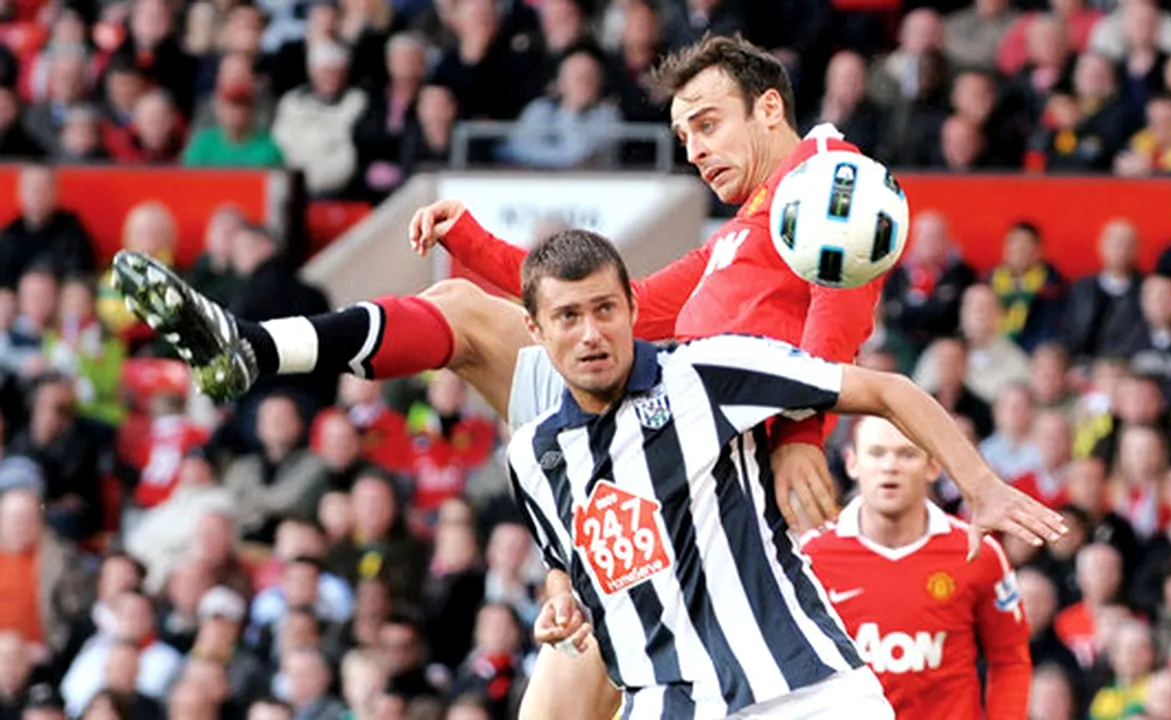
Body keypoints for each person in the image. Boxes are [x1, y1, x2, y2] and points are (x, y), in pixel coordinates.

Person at [109, 34, 1065, 720]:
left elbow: (841, 302)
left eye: (706, 124)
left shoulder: (824, 180)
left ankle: (255, 346)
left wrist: (805, 438)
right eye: (682, 134)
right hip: (639, 437)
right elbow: (628, 307)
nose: (694, 149)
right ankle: (251, 350)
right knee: (464, 312)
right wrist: (481, 243)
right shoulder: (741, 228)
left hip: (695, 438)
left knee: (461, 323)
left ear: (770, 109)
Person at [501, 229, 1056, 717]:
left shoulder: (706, 371)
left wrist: (981, 487)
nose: (592, 333)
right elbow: (564, 559)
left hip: (807, 692)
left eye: (605, 309)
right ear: (534, 328)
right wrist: (561, 596)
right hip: (663, 704)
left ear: (631, 308)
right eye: (568, 317)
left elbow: (888, 391)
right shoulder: (532, 457)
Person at [802, 416, 1033, 719]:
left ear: (933, 467)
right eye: (876, 453)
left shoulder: (979, 552)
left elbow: (1010, 660)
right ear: (852, 463)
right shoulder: (809, 557)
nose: (890, 466)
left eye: (907, 454)